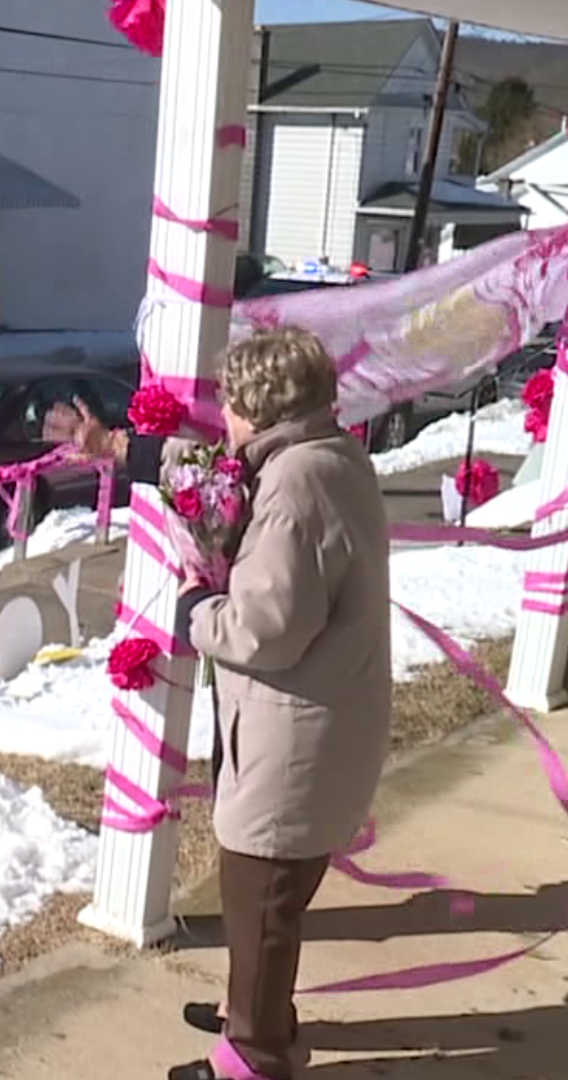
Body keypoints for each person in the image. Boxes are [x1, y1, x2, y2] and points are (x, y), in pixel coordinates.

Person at [51, 328, 392, 1080]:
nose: (225, 417)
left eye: (232, 402)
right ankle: (257, 1012)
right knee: (266, 906)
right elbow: (212, 475)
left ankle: (257, 1055)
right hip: (316, 727)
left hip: (298, 740)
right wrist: (117, 449)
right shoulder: (327, 456)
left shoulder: (296, 488)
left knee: (265, 907)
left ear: (260, 408)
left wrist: (195, 605)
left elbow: (263, 629)